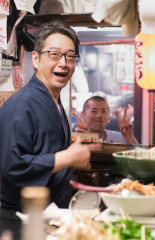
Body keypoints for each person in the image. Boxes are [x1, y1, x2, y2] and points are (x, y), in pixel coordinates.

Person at [0, 21, 101, 239]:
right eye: (54, 54)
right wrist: (67, 157)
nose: (63, 63)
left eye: (71, 56)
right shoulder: (22, 105)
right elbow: (12, 166)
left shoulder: (53, 101)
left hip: (50, 217)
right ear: (36, 59)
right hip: (22, 221)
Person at [73, 96, 138, 144]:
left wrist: (129, 136)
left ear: (109, 117)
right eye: (94, 111)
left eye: (103, 111)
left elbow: (139, 158)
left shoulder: (120, 138)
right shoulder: (76, 138)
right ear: (84, 115)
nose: (99, 115)